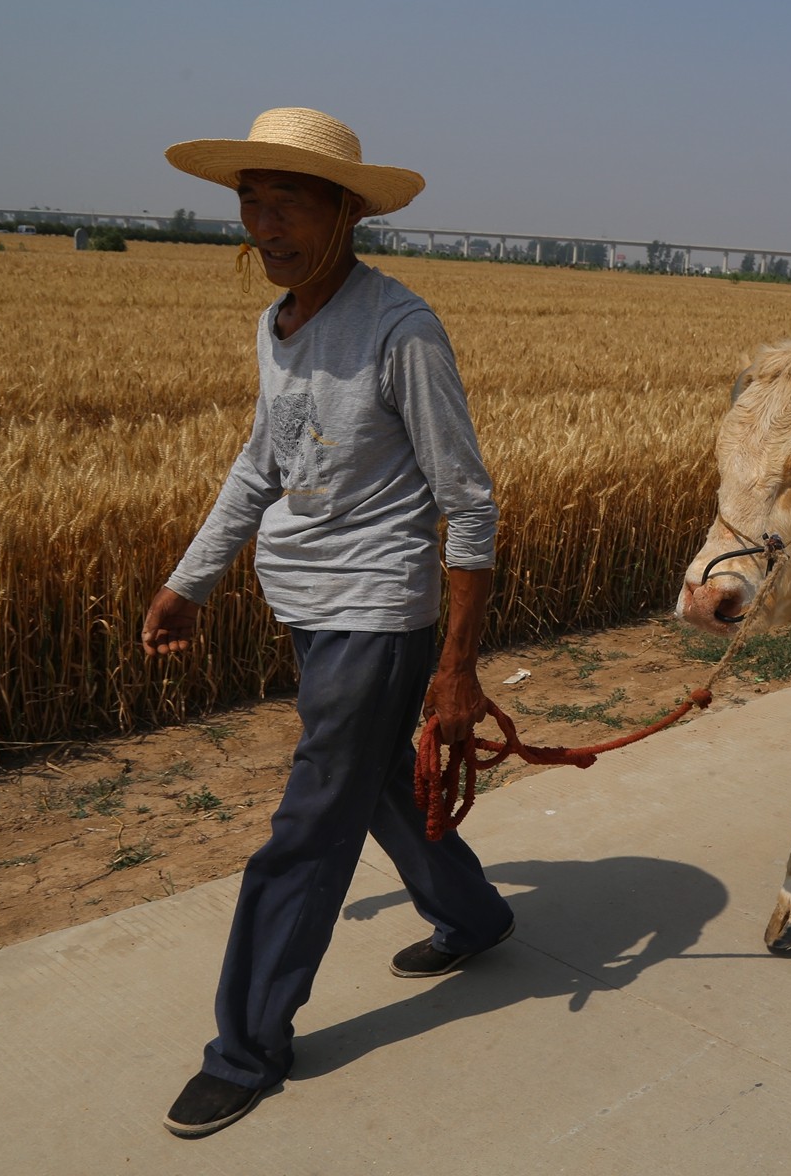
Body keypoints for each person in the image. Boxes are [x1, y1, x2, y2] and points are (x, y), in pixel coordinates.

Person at [143, 108, 513, 1139]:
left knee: (307, 830)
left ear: (345, 209)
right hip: (306, 609)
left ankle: (247, 1045)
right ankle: (477, 916)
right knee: (374, 783)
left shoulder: (402, 331)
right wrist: (193, 579)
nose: (262, 220)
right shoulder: (281, 323)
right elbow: (265, 461)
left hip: (379, 616)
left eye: (287, 198)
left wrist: (456, 665)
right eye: (249, 199)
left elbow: (469, 503)